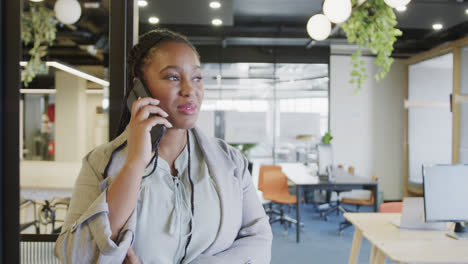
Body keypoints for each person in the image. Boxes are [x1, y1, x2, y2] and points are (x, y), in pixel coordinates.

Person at [54, 29, 272, 263]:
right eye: (173, 77)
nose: (190, 90)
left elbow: (259, 242)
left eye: (197, 77)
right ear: (140, 87)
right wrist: (135, 163)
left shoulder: (230, 161)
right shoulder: (100, 162)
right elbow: (75, 256)